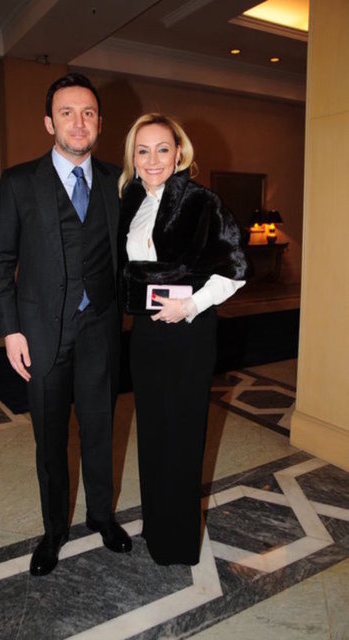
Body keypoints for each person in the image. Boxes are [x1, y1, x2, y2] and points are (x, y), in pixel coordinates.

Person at [0, 73, 132, 577]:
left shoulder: (118, 181)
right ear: (50, 122)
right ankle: (53, 532)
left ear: (100, 123)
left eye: (88, 113)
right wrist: (10, 330)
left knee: (100, 428)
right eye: (67, 112)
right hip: (42, 332)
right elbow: (0, 262)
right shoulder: (18, 182)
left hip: (101, 328)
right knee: (50, 440)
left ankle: (101, 516)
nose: (78, 122)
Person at [118, 113, 249, 566]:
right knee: (153, 431)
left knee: (183, 434)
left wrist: (190, 305)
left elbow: (235, 270)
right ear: (133, 158)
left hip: (189, 332)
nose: (152, 159)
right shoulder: (131, 202)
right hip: (146, 335)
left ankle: (177, 543)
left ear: (179, 154)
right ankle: (157, 528)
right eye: (143, 150)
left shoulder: (201, 201)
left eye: (162, 149)